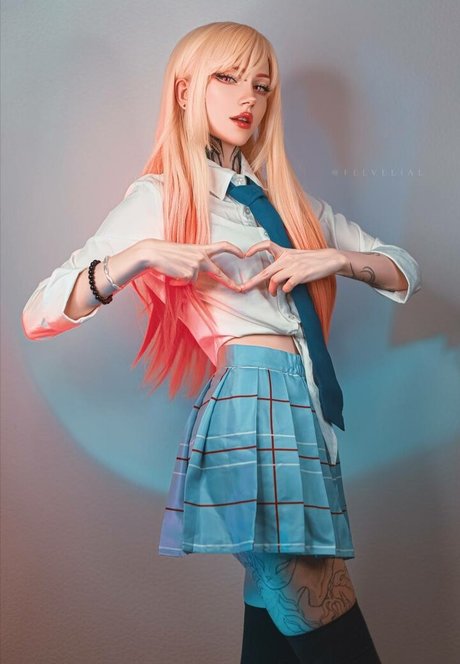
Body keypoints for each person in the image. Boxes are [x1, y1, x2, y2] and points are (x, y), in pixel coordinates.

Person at [22, 21, 421, 664]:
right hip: (250, 408)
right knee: (325, 616)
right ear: (185, 90)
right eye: (228, 78)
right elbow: (39, 313)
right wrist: (139, 255)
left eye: (261, 85)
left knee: (273, 628)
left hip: (303, 410)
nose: (248, 98)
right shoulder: (160, 197)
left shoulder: (287, 204)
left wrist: (334, 260)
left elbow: (403, 269)